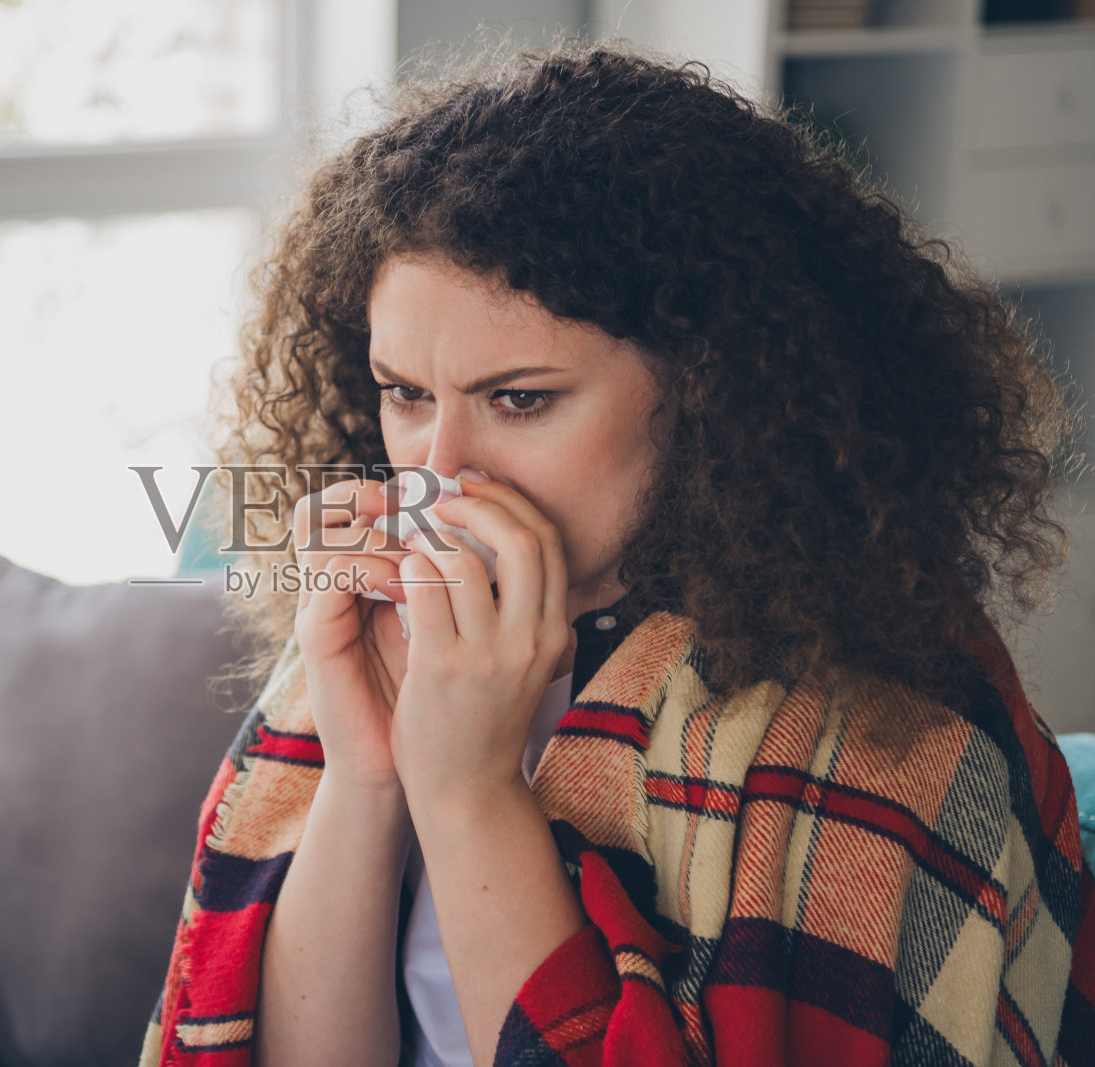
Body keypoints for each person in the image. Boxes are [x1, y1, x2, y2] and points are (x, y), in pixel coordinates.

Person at [137, 36, 1095, 1067]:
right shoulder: (381, 627)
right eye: (405, 394)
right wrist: (367, 772)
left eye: (520, 400)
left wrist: (466, 792)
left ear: (709, 390)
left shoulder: (878, 725)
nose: (438, 469)